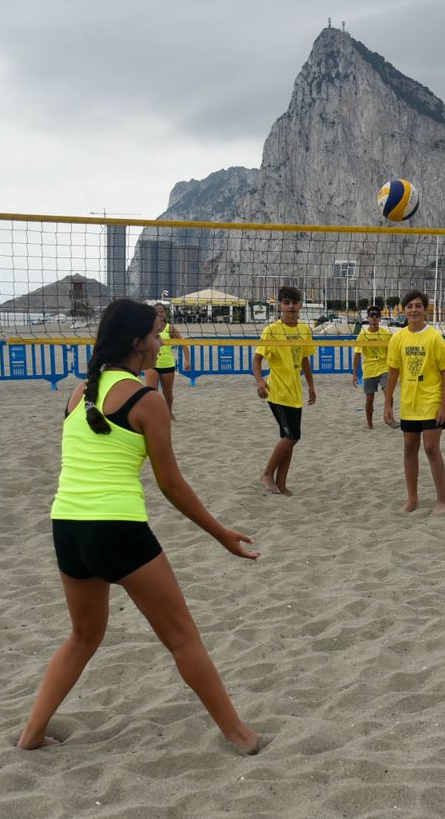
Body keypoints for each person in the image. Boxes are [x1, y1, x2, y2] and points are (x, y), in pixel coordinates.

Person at [17, 298, 264, 755]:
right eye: (155, 335)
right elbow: (171, 485)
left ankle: (31, 735)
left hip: (67, 527)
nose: (160, 341)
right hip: (117, 528)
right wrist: (221, 533)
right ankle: (240, 735)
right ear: (137, 344)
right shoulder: (147, 400)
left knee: (83, 636)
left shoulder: (77, 394)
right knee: (182, 638)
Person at [383, 290, 445, 515]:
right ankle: (412, 500)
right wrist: (387, 403)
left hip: (431, 401)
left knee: (431, 448)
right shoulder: (398, 338)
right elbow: (393, 372)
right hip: (409, 404)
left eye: (418, 306)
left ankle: (442, 501)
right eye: (409, 306)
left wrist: (444, 406)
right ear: (403, 310)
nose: (414, 310)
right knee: (409, 449)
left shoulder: (433, 337)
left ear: (425, 309)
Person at [252, 286, 315, 495]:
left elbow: (305, 359)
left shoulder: (304, 330)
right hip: (277, 391)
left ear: (300, 306)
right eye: (286, 303)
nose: (291, 307)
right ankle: (268, 473)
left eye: (295, 303)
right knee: (292, 437)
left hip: (295, 391)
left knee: (288, 439)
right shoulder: (271, 330)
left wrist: (312, 386)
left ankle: (282, 483)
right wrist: (260, 381)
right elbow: (257, 359)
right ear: (280, 305)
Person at [351, 305, 396, 428]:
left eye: (377, 315)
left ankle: (390, 418)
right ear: (368, 317)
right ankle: (370, 424)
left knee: (389, 395)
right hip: (369, 368)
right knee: (369, 399)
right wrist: (355, 374)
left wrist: (396, 369)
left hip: (384, 367)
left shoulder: (386, 334)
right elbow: (357, 355)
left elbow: (393, 353)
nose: (374, 318)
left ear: (380, 318)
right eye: (372, 315)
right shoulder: (363, 335)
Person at [145, 302, 187, 418]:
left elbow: (183, 343)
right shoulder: (147, 328)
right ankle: (154, 415)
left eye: (162, 311)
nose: (159, 314)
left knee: (167, 394)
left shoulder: (170, 328)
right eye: (157, 312)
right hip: (151, 364)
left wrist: (187, 360)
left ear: (165, 313)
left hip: (167, 364)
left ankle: (169, 412)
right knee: (151, 392)